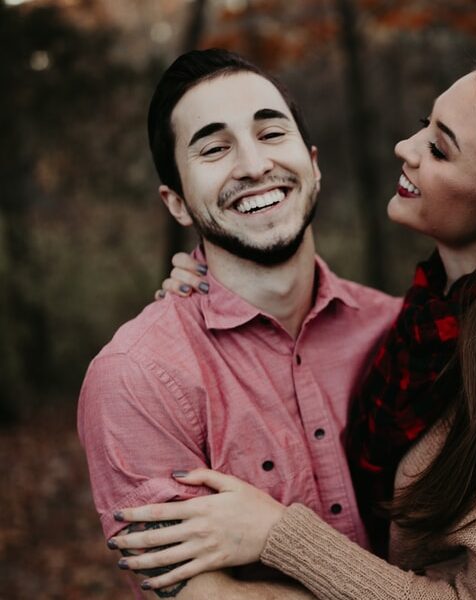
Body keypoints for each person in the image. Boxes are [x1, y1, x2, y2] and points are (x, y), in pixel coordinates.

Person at [109, 56, 476, 599]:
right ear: (175, 202)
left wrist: (277, 533)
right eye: (423, 125)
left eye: (439, 148)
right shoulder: (421, 332)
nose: (405, 148)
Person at [77, 49, 400, 598]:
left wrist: (275, 535)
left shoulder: (400, 332)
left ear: (314, 164)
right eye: (214, 148)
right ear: (177, 203)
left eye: (271, 134)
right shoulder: (137, 376)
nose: (253, 165)